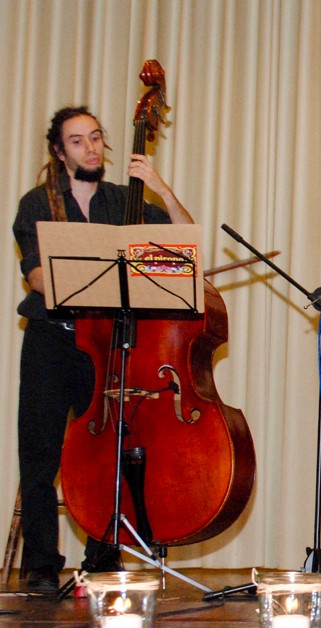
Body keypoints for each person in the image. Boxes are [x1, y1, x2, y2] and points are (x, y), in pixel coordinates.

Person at [12, 106, 194, 593]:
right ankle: (41, 566)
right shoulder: (38, 203)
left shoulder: (123, 201)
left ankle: (103, 556)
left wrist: (160, 187)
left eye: (95, 137)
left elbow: (184, 244)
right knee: (41, 454)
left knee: (106, 452)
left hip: (107, 345)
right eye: (77, 140)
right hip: (53, 340)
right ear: (59, 151)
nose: (90, 147)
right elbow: (37, 276)